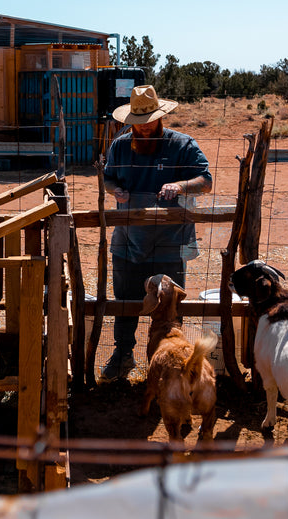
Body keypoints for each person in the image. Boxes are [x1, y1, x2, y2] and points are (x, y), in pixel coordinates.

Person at [100, 85, 212, 381]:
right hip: (128, 240)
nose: (145, 127)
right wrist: (115, 190)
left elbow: (205, 180)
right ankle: (123, 354)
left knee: (169, 306)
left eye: (150, 120)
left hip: (169, 241)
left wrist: (181, 186)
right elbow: (107, 178)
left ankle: (170, 362)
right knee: (124, 300)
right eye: (139, 122)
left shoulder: (182, 145)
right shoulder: (120, 146)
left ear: (160, 116)